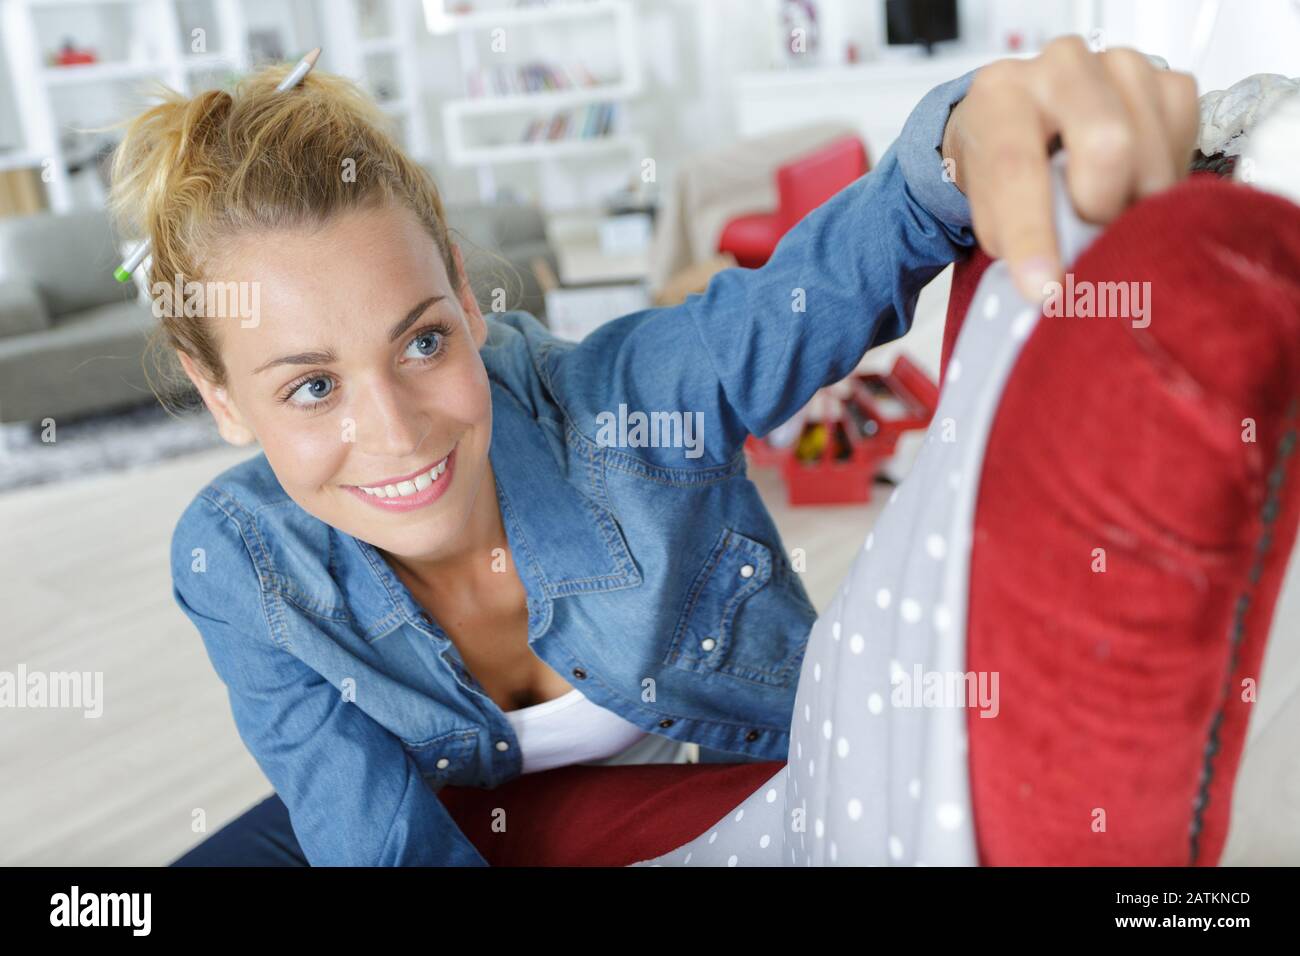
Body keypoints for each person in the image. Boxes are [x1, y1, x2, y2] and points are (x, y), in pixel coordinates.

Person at [117, 37, 1199, 866]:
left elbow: (837, 267)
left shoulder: (632, 410)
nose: (396, 432)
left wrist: (973, 129)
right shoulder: (237, 559)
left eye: (422, 339)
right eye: (311, 385)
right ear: (216, 391)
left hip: (713, 790)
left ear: (459, 285)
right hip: (451, 818)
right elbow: (384, 844)